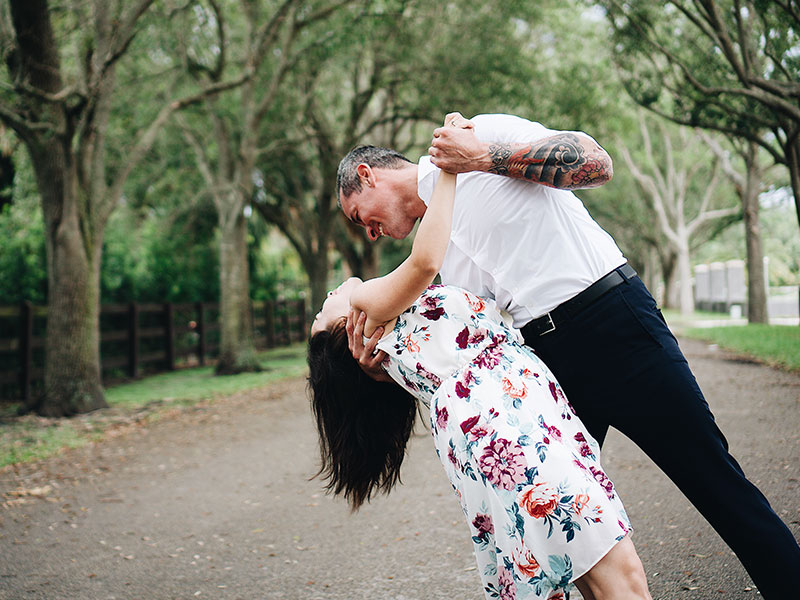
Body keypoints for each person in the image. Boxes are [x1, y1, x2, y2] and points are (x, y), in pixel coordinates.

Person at [337, 113, 800, 599]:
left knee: (715, 482)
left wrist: (482, 158)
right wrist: (383, 369)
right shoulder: (431, 253)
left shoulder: (477, 134)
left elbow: (596, 164)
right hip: (545, 371)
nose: (368, 234)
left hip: (615, 325)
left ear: (367, 175)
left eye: (357, 216)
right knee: (563, 530)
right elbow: (464, 345)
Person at [308, 137, 653, 599]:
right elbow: (425, 261)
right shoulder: (366, 304)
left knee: (587, 567)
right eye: (320, 314)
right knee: (612, 567)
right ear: (342, 332)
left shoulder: (393, 324)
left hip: (515, 410)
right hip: (502, 421)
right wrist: (447, 169)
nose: (328, 298)